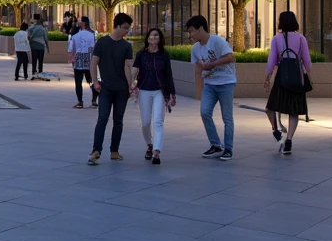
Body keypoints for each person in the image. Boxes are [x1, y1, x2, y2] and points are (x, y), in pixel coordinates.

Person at [187, 14, 236, 160]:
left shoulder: (218, 41)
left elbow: (230, 57)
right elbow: (197, 68)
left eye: (192, 31)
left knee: (227, 117)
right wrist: (198, 91)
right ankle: (215, 145)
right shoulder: (195, 48)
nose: (191, 35)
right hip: (209, 84)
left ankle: (228, 148)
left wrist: (212, 64)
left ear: (200, 29)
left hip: (226, 82)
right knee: (205, 112)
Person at [86, 14, 135, 163]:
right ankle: (96, 150)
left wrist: (130, 85)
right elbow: (93, 63)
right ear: (118, 26)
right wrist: (95, 81)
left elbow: (128, 66)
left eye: (128, 28)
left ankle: (114, 150)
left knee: (118, 120)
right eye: (125, 28)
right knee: (102, 118)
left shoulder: (127, 46)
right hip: (106, 88)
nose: (127, 31)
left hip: (122, 90)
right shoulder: (102, 42)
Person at [264, 9, 312, 156]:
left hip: (282, 78)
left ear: (281, 22)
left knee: (270, 107)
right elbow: (307, 60)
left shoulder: (277, 39)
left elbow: (272, 59)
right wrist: (308, 75)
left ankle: (275, 130)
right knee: (294, 111)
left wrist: (268, 76)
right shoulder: (301, 38)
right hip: (297, 77)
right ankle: (289, 139)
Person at [132, 26, 177, 164]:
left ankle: (157, 151)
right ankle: (149, 145)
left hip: (159, 91)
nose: (153, 38)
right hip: (144, 90)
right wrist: (132, 84)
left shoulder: (164, 55)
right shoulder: (141, 54)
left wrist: (171, 93)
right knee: (145, 123)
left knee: (158, 121)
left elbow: (168, 74)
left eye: (156, 35)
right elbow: (134, 71)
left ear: (160, 38)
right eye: (151, 35)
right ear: (147, 38)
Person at [68, 16, 97, 107]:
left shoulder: (75, 35)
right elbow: (94, 48)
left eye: (80, 21)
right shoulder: (92, 34)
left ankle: (80, 102)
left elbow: (71, 49)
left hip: (79, 60)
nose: (78, 23)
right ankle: (94, 100)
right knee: (92, 81)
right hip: (89, 60)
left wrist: (72, 60)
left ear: (83, 23)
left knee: (78, 82)